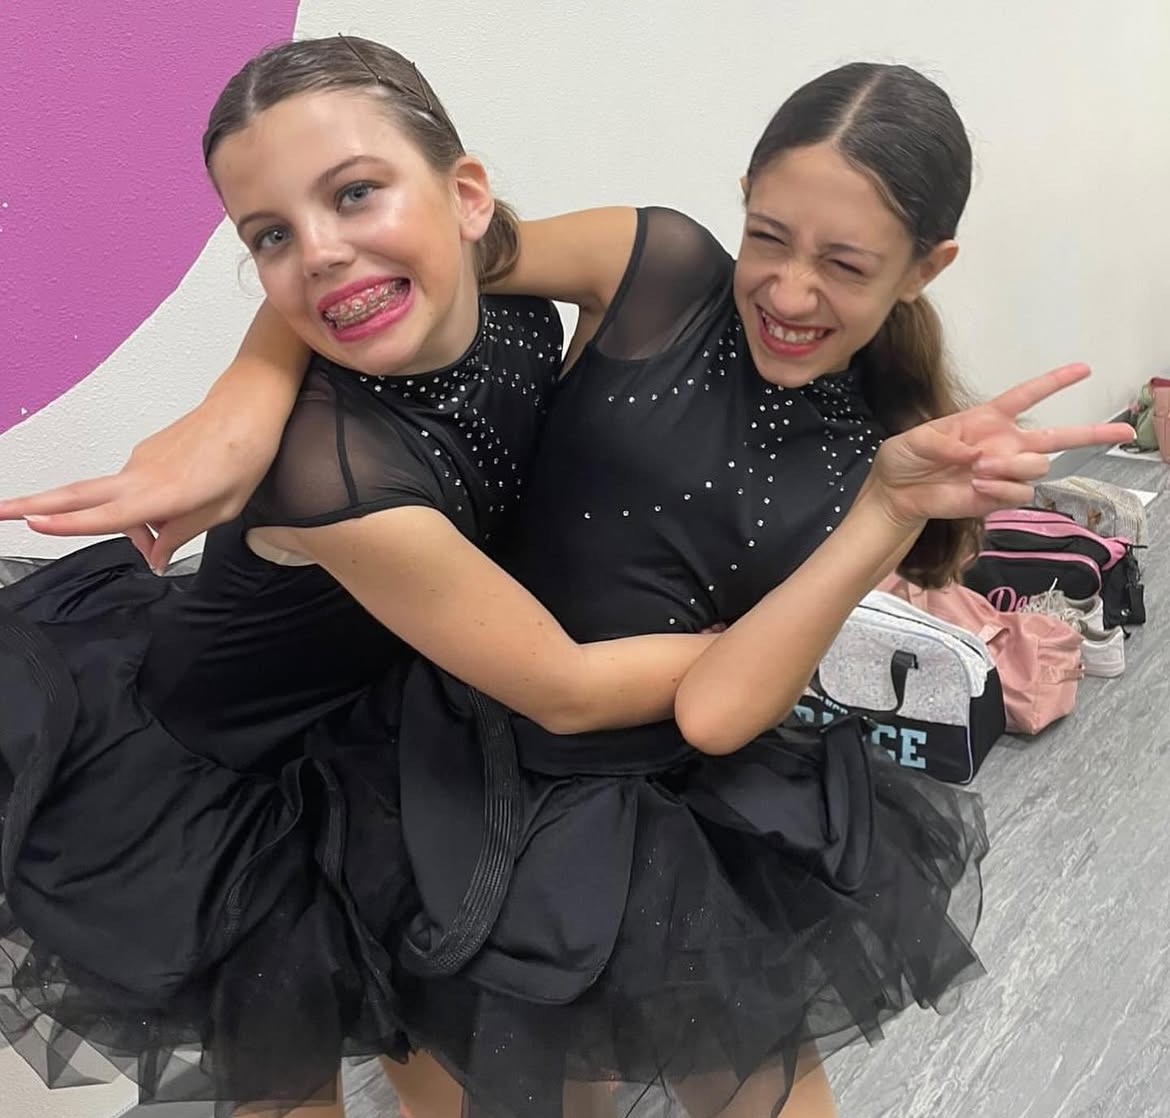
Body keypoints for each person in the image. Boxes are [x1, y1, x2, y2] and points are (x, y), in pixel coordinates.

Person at [1, 54, 1131, 1118]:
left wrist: (825, 583)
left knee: (592, 1046)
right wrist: (240, 402)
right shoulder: (351, 457)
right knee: (327, 1064)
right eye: (768, 238)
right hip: (296, 762)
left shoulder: (532, 314)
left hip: (489, 713)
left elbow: (399, 261)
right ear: (741, 208)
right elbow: (570, 682)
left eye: (845, 263)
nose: (791, 287)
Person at [0, 35, 731, 1116]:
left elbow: (631, 259)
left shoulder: (514, 288)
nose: (320, 254)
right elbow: (565, 688)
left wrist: (247, 381)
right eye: (270, 236)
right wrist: (785, 638)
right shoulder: (331, 465)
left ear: (468, 194)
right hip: (228, 787)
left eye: (354, 193)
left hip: (383, 726)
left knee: (443, 1031)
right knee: (291, 1081)